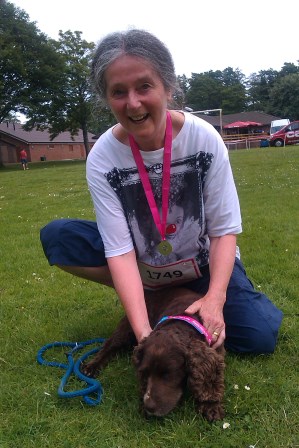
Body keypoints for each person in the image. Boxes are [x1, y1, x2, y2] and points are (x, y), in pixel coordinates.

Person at [40, 29, 283, 353]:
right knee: (59, 236)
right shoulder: (102, 157)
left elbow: (224, 231)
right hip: (142, 263)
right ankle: (149, 294)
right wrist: (143, 332)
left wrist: (214, 299)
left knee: (258, 337)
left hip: (201, 263)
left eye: (144, 86)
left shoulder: (204, 139)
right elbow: (120, 251)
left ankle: (177, 294)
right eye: (118, 92)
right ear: (106, 98)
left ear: (167, 87)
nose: (133, 103)